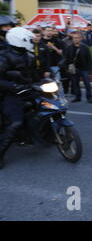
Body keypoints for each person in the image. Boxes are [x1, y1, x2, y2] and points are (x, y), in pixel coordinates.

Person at [0, 28, 39, 169]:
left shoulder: (29, 56)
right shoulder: (4, 57)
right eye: (29, 40)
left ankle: (43, 136)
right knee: (15, 122)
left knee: (50, 107)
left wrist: (47, 81)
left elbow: (35, 75)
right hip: (10, 94)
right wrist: (13, 86)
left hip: (28, 90)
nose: (31, 42)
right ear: (19, 40)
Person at [64, 32, 92, 104]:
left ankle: (89, 97)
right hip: (74, 69)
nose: (75, 39)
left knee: (87, 84)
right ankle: (78, 97)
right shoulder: (69, 47)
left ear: (80, 38)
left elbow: (89, 58)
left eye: (77, 38)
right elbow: (66, 58)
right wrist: (67, 68)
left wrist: (89, 68)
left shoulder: (85, 47)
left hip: (84, 68)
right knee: (75, 84)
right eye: (74, 38)